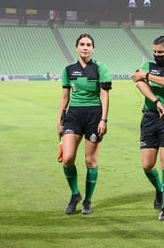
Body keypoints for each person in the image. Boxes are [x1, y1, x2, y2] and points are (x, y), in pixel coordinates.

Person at [56, 33, 112, 215]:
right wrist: (59, 121)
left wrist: (104, 119)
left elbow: (104, 95)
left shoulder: (100, 68)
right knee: (68, 158)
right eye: (82, 44)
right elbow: (65, 97)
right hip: (73, 116)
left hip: (94, 116)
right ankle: (75, 194)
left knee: (90, 161)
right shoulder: (68, 70)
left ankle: (87, 201)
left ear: (93, 48)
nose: (85, 47)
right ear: (76, 48)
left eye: (88, 44)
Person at [132, 36, 164, 221]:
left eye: (160, 52)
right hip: (149, 116)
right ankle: (160, 189)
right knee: (147, 165)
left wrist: (146, 76)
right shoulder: (147, 64)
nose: (156, 55)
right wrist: (155, 100)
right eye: (154, 52)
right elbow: (138, 82)